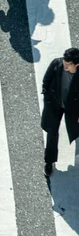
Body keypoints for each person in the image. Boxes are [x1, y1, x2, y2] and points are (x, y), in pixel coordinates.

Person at [41, 48, 79, 177]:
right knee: (52, 133)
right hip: (55, 104)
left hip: (73, 109)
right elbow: (46, 80)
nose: (65, 65)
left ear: (77, 64)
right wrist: (46, 96)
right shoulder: (56, 64)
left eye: (68, 64)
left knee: (75, 129)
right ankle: (49, 161)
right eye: (65, 62)